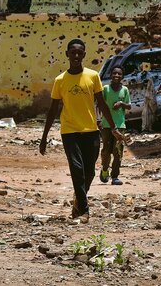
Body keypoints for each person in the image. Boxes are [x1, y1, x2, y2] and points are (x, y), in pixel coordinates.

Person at [39, 39, 121, 224]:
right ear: (67, 54)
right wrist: (44, 138)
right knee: (77, 169)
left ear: (84, 54)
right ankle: (84, 211)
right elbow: (53, 110)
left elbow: (101, 103)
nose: (76, 56)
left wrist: (113, 127)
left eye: (79, 53)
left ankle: (78, 199)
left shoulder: (93, 76)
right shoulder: (60, 80)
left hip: (91, 130)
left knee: (90, 172)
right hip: (69, 131)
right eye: (73, 52)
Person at [98, 65, 131, 186]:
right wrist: (98, 120)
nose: (116, 76)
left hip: (120, 125)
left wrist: (121, 103)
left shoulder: (125, 90)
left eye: (119, 74)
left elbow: (129, 106)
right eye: (114, 73)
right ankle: (105, 169)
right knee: (106, 151)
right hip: (106, 126)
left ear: (122, 76)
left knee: (118, 151)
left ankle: (115, 176)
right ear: (111, 75)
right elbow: (99, 104)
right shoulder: (106, 89)